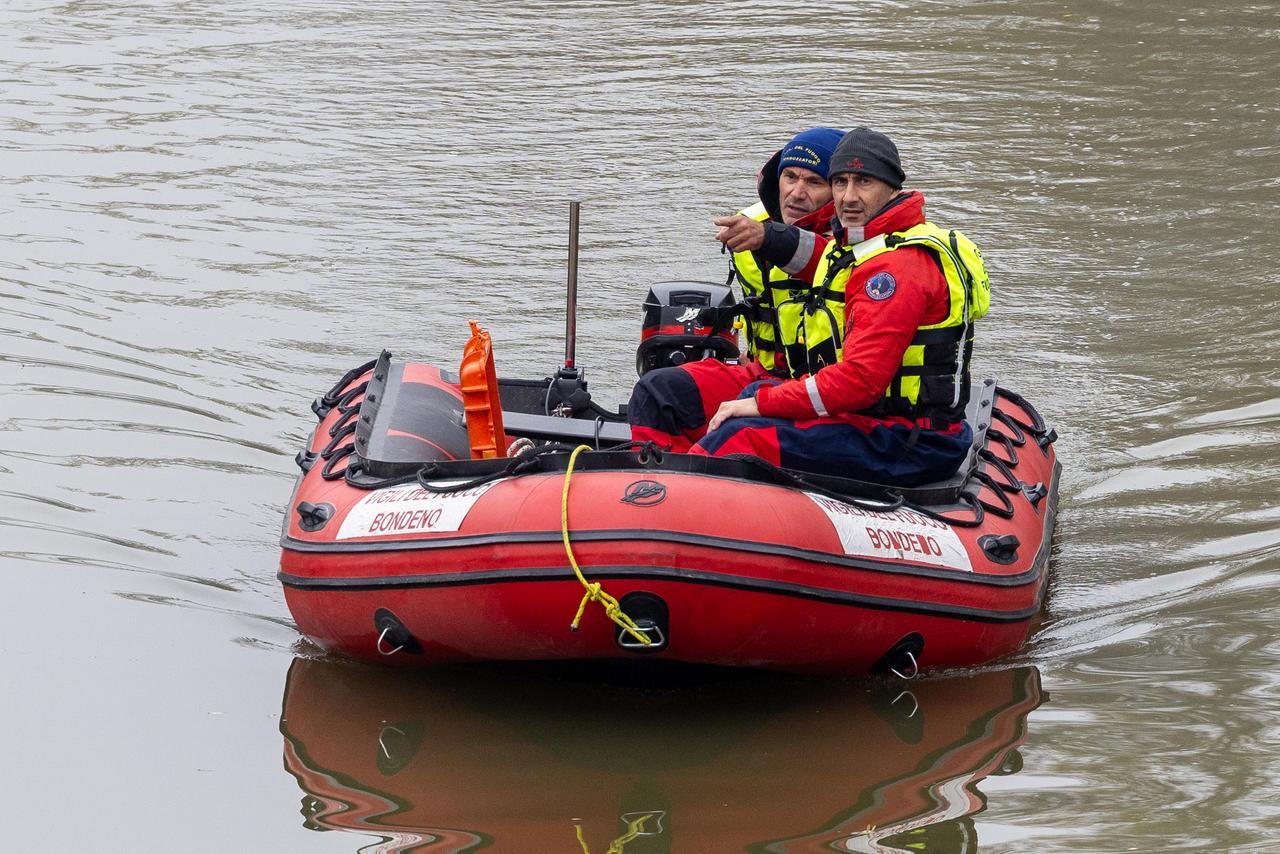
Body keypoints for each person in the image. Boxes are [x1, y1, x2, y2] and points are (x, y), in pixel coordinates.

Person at [629, 127, 990, 486]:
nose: (849, 196)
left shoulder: (894, 268)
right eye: (841, 182)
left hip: (906, 437)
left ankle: (669, 497)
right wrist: (766, 236)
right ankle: (649, 489)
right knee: (665, 393)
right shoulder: (859, 245)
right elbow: (806, 252)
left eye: (864, 182)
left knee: (740, 435)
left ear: (893, 188)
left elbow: (860, 381)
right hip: (861, 414)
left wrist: (762, 404)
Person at [729, 126, 844, 374]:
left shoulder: (859, 238)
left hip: (821, 383)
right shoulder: (751, 224)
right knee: (664, 384)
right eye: (790, 177)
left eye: (815, 182)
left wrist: (769, 238)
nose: (797, 193)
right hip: (759, 370)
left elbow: (826, 261)